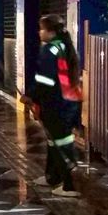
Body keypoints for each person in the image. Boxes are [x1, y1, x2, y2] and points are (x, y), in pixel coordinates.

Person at [21, 13, 83, 198]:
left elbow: (45, 80)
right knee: (54, 140)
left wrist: (31, 96)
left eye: (42, 29)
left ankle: (70, 186)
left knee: (61, 142)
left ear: (50, 31)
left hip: (57, 104)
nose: (39, 33)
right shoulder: (63, 46)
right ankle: (53, 176)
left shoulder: (49, 50)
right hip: (68, 101)